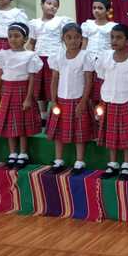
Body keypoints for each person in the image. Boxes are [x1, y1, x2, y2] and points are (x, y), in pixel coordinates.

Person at [45, 23, 96, 175]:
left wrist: (83, 101)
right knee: (59, 132)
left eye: (76, 37)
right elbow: (54, 79)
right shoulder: (58, 56)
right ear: (63, 39)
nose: (73, 40)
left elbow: (89, 81)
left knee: (79, 132)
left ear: (81, 39)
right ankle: (58, 160)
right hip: (61, 100)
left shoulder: (85, 56)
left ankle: (79, 161)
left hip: (78, 100)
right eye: (69, 37)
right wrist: (53, 100)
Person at [0, 22, 43, 169]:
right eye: (10, 36)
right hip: (7, 92)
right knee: (9, 123)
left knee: (22, 123)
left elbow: (32, 78)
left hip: (23, 91)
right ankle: (13, 153)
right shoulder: (3, 55)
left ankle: (23, 153)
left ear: (25, 39)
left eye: (17, 36)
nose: (13, 39)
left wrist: (28, 98)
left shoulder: (30, 56)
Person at [94, 24, 128, 179]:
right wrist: (100, 102)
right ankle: (113, 163)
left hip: (126, 101)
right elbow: (101, 78)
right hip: (108, 100)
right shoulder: (105, 56)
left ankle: (126, 164)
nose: (114, 40)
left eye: (119, 38)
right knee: (111, 133)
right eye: (112, 37)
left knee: (126, 134)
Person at [28, 0, 74, 121]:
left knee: (54, 85)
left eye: (55, 5)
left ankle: (54, 111)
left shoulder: (60, 21)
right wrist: (29, 57)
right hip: (38, 57)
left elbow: (66, 39)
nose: (52, 7)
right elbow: (32, 42)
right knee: (40, 87)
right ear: (42, 5)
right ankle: (43, 114)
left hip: (55, 57)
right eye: (49, 4)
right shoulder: (35, 23)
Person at [81, 0, 117, 104]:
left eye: (100, 8)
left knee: (102, 86)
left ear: (108, 11)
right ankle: (90, 109)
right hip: (89, 59)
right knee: (88, 86)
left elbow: (114, 45)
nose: (96, 10)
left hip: (105, 60)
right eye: (94, 8)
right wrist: (81, 58)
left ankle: (102, 108)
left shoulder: (112, 26)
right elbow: (84, 43)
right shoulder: (88, 24)